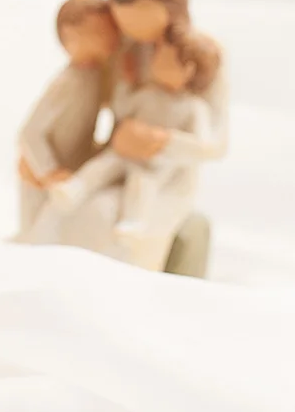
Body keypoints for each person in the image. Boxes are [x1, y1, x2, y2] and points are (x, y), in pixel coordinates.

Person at [42, 28, 221, 251]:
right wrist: (126, 82)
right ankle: (74, 189)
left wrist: (164, 141)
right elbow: (121, 108)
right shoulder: (148, 94)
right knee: (102, 166)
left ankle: (133, 223)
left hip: (153, 164)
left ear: (188, 70)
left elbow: (202, 146)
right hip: (124, 152)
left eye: (163, 58)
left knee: (142, 185)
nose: (154, 60)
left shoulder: (194, 108)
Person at [16, 0, 120, 242]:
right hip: (46, 173)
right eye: (98, 32)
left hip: (73, 167)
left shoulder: (96, 76)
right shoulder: (68, 82)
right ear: (70, 38)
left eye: (110, 30)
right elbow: (30, 132)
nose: (109, 37)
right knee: (38, 230)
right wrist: (48, 170)